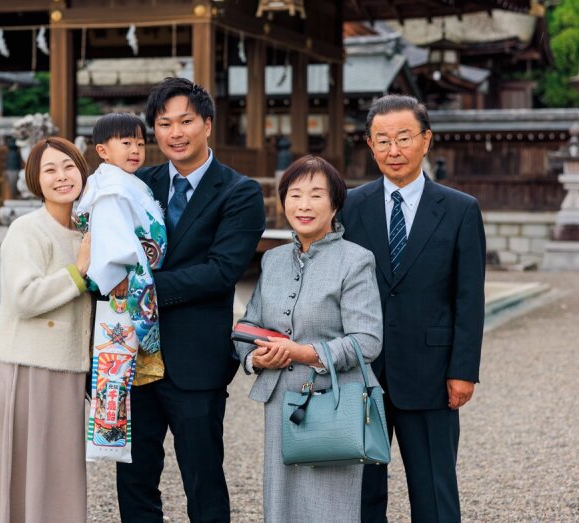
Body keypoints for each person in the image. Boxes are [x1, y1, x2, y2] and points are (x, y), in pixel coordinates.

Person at [117, 77, 266, 523]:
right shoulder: (137, 184)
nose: (175, 133)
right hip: (135, 357)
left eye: (185, 121)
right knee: (134, 477)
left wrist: (142, 286)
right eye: (164, 124)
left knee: (202, 478)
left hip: (196, 359)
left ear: (207, 124)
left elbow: (222, 271)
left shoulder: (240, 191)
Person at [340, 95, 485, 523]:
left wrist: (463, 369)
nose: (394, 150)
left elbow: (468, 297)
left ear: (426, 140)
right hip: (364, 371)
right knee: (362, 492)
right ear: (369, 145)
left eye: (404, 138)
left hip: (433, 372)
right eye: (382, 140)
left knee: (435, 491)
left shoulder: (460, 209)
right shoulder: (350, 205)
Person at [234, 155, 383, 522]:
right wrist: (255, 358)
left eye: (316, 195)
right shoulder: (274, 260)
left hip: (335, 402)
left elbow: (367, 340)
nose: (304, 205)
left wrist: (304, 352)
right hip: (281, 398)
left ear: (334, 204)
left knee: (330, 505)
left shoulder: (356, 260)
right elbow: (247, 325)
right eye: (295, 194)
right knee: (281, 502)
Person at [0, 137, 92, 523]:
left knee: (59, 474)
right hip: (24, 367)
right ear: (35, 180)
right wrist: (79, 272)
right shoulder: (27, 229)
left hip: (68, 368)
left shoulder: (89, 229)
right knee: (17, 473)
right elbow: (21, 297)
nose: (62, 177)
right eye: (49, 170)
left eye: (69, 166)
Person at [75, 113, 167, 461]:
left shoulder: (122, 182)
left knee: (118, 378)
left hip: (131, 288)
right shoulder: (113, 190)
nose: (135, 150)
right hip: (124, 293)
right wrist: (123, 286)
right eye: (125, 143)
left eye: (140, 143)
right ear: (102, 150)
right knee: (119, 374)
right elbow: (114, 249)